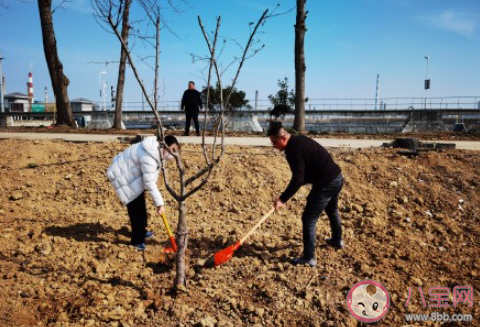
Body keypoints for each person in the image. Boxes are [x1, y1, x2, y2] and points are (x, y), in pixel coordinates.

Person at [269, 123, 344, 267]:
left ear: (283, 138)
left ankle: (309, 257)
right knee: (331, 209)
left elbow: (297, 179)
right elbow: (304, 174)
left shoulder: (293, 151)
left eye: (274, 142)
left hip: (327, 182)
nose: (274, 146)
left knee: (308, 218)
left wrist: (282, 199)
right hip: (337, 177)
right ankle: (337, 240)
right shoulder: (299, 141)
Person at [107, 135, 180, 250]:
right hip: (122, 176)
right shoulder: (149, 156)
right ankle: (136, 240)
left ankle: (142, 230)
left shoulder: (156, 152)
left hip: (130, 174)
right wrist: (160, 204)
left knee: (141, 205)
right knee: (135, 208)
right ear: (164, 146)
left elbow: (151, 176)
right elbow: (150, 182)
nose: (173, 154)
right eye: (172, 150)